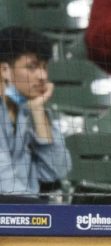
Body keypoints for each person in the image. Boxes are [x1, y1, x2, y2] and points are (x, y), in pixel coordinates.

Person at [0, 26, 70, 201]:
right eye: (32, 67)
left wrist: (39, 111)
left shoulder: (26, 108)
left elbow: (55, 171)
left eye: (45, 67)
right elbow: (5, 186)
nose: (43, 76)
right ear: (4, 70)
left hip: (27, 210)